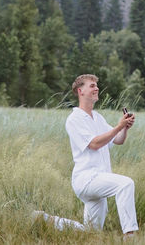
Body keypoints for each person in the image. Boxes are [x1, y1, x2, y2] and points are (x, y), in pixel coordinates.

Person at [35, 74, 138, 236]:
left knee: (90, 232)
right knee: (126, 184)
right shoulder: (74, 119)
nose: (96, 88)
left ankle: (44, 219)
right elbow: (95, 144)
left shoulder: (98, 117)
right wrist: (118, 127)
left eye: (96, 85)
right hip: (87, 179)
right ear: (80, 91)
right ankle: (130, 235)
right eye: (92, 85)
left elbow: (117, 140)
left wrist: (124, 128)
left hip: (99, 179)